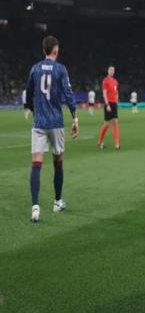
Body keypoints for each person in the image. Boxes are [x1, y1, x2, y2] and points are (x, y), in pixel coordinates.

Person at [25, 35, 79, 222]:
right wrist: (75, 118)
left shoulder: (35, 69)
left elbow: (28, 95)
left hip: (39, 123)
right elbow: (69, 94)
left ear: (44, 51)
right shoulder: (61, 69)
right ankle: (57, 202)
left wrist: (34, 110)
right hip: (56, 122)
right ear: (56, 51)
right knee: (58, 162)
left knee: (36, 164)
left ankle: (35, 208)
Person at [97, 66, 120, 149]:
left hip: (114, 104)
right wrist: (107, 105)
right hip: (108, 103)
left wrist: (116, 100)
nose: (112, 71)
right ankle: (100, 142)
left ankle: (117, 144)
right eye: (110, 70)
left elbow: (116, 92)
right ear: (108, 71)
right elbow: (104, 93)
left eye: (113, 70)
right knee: (107, 123)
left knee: (115, 121)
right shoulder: (105, 81)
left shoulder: (115, 81)